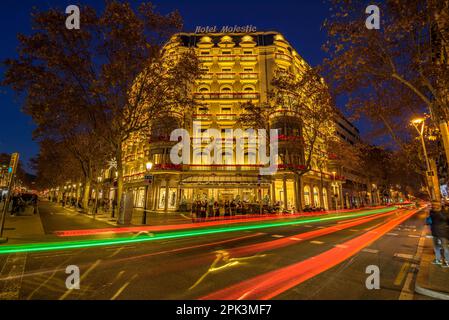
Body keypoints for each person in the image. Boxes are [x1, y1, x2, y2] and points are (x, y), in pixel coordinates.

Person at [427, 201, 449, 267]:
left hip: (439, 232)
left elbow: (429, 220)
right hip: (440, 232)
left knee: (441, 247)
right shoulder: (444, 212)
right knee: (442, 247)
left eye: (433, 205)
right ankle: (440, 260)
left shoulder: (434, 213)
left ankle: (443, 261)